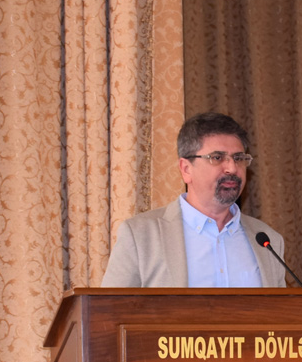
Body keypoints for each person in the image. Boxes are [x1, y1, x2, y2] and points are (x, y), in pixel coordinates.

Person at [101, 112, 289, 288]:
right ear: (186, 169)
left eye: (238, 158)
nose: (232, 168)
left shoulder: (268, 240)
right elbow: (110, 309)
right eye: (217, 157)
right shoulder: (140, 236)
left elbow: (281, 310)